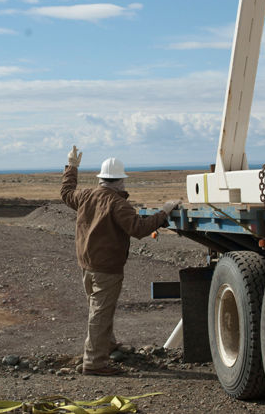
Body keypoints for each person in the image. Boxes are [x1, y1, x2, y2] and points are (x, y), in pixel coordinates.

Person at [61, 145, 180, 376]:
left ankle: (107, 345)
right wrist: (164, 213)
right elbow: (138, 228)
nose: (124, 185)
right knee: (100, 311)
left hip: (86, 264)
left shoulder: (86, 195)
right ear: (119, 182)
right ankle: (94, 363)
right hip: (107, 268)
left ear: (102, 179)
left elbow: (66, 192)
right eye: (123, 181)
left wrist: (72, 167)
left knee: (99, 308)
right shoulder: (117, 204)